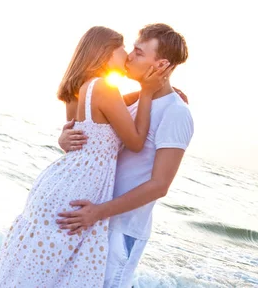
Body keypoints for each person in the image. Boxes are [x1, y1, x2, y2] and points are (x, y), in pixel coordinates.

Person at [0, 26, 169, 287]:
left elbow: (89, 124)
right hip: (79, 187)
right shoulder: (105, 89)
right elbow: (137, 142)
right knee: (59, 270)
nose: (128, 55)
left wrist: (143, 95)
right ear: (106, 54)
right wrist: (150, 93)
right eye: (122, 49)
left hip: (62, 181)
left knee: (40, 265)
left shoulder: (80, 88)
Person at [56, 23, 194, 288]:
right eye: (131, 49)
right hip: (93, 220)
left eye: (139, 53)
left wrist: (99, 212)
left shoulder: (176, 113)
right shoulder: (136, 102)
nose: (130, 56)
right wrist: (66, 139)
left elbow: (159, 186)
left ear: (162, 64)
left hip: (121, 230)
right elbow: (96, 143)